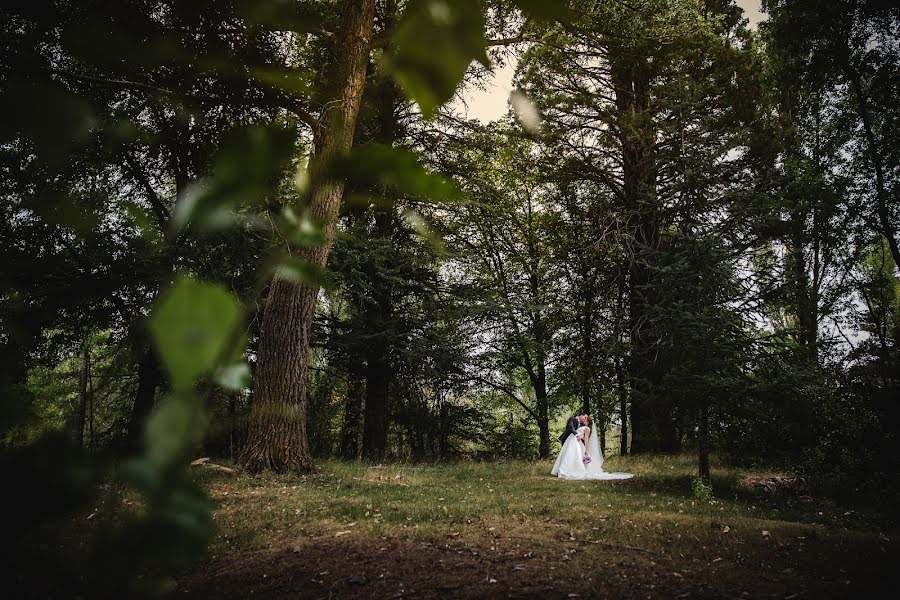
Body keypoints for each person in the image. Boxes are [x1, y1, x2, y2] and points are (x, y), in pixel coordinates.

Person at [551, 415, 634, 481]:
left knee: (573, 457)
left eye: (586, 418)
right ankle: (564, 470)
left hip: (576, 443)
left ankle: (569, 471)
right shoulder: (579, 425)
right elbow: (575, 431)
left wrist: (586, 450)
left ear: (587, 421)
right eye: (585, 417)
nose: (584, 419)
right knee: (569, 456)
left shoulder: (587, 428)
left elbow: (586, 440)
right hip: (573, 442)